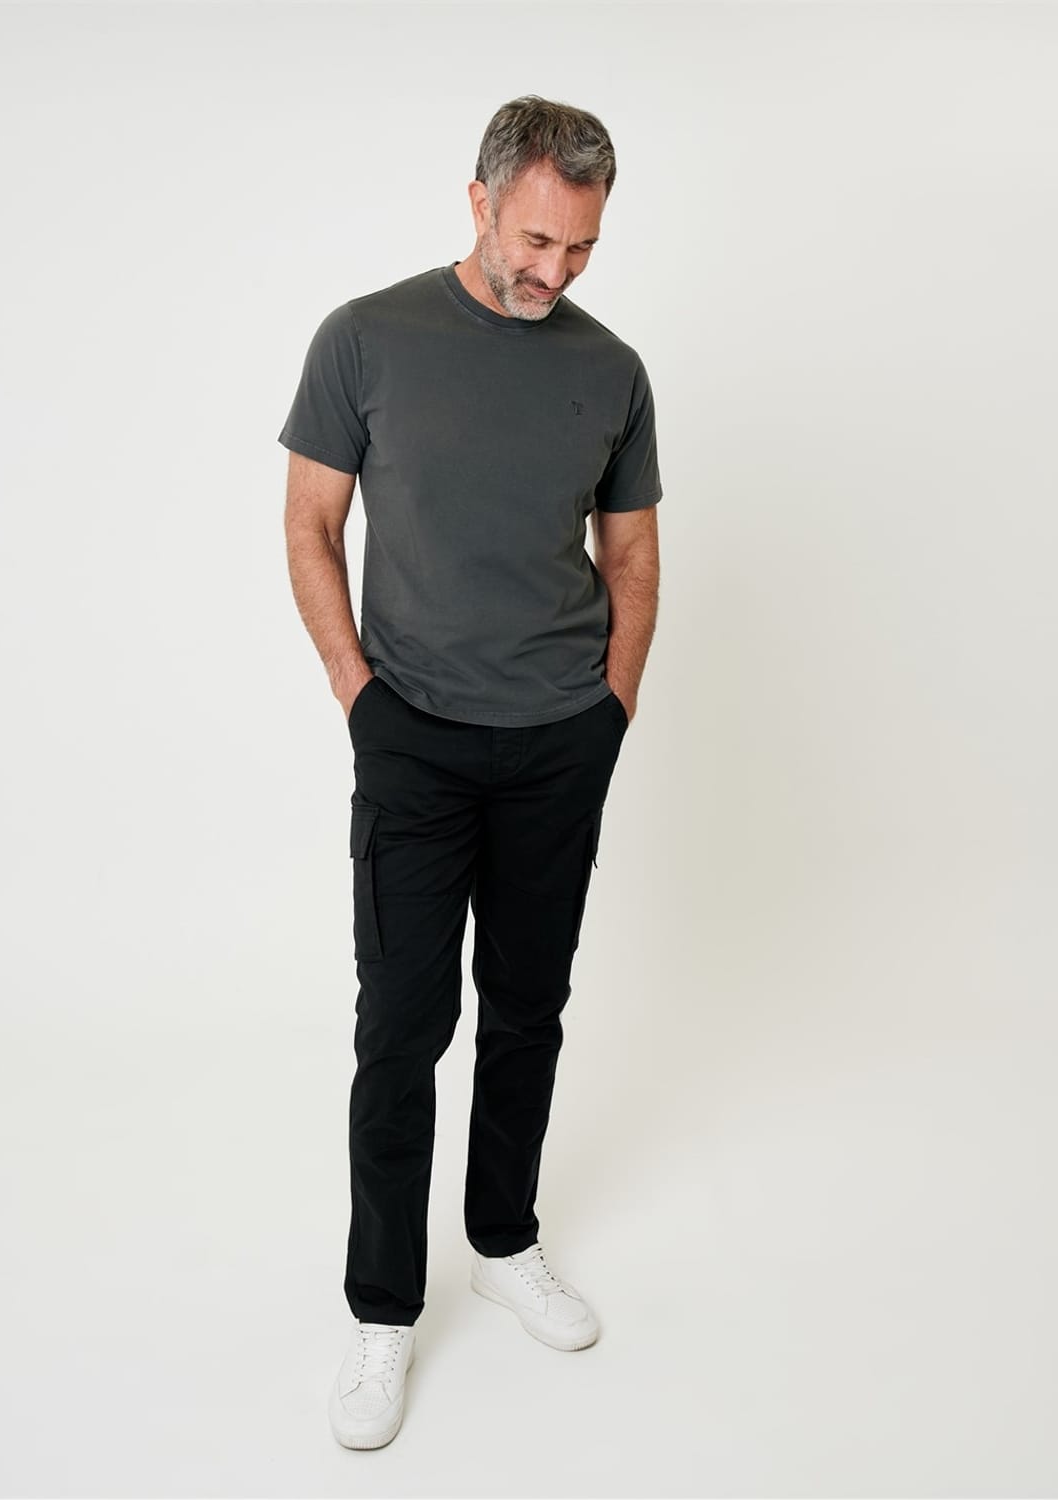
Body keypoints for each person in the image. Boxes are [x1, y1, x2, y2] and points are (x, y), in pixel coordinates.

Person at [279, 94, 662, 1450]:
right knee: (401, 1024)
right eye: (537, 240)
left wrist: (610, 710)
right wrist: (359, 694)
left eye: (583, 248)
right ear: (481, 200)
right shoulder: (365, 338)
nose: (555, 270)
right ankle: (384, 1308)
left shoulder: (612, 370)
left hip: (560, 740)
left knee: (528, 1008)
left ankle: (504, 1238)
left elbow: (630, 553)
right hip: (416, 736)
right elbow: (311, 523)